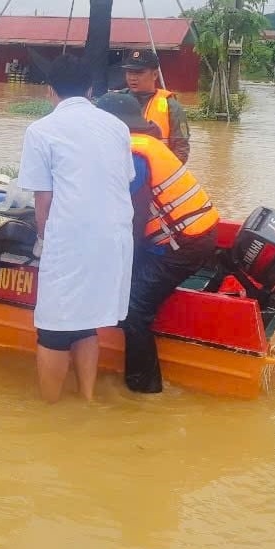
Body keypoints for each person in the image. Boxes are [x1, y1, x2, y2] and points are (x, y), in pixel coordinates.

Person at [18, 55, 135, 403]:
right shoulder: (118, 127)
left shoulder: (41, 130)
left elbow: (43, 199)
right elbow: (123, 180)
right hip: (115, 237)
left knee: (53, 327)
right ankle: (86, 401)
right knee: (86, 320)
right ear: (90, 90)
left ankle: (50, 412)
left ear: (50, 91)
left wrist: (42, 240)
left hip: (72, 238)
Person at [96, 92, 221, 394]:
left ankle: (143, 390)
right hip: (198, 233)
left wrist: (120, 263)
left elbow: (134, 217)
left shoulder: (134, 154)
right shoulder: (148, 144)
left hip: (183, 244)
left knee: (133, 307)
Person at [117, 48, 191, 162]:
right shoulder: (116, 102)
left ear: (155, 74)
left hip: (157, 172)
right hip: (121, 172)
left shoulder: (171, 106)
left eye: (139, 72)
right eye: (129, 72)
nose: (132, 78)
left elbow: (181, 149)